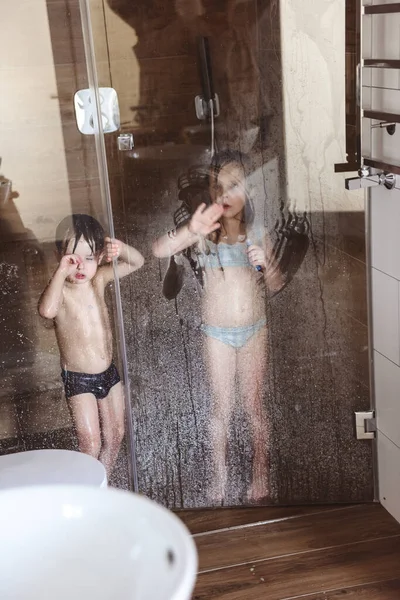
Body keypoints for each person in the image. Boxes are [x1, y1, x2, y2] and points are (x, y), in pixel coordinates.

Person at [153, 150, 284, 503]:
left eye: (235, 186)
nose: (226, 195)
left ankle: (260, 473)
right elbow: (159, 250)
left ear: (250, 192)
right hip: (217, 334)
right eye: (219, 187)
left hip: (254, 329)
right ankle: (219, 477)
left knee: (254, 404)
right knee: (220, 407)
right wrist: (190, 229)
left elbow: (275, 284)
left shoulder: (256, 232)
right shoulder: (204, 234)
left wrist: (267, 264)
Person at [38, 214, 144, 477]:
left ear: (99, 257)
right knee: (91, 443)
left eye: (89, 257)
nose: (80, 266)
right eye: (72, 259)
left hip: (109, 374)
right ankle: (83, 490)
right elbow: (47, 311)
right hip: (79, 379)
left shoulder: (99, 280)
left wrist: (119, 247)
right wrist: (61, 272)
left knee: (116, 433)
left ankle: (101, 484)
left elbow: (137, 262)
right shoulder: (60, 290)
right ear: (59, 257)